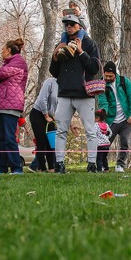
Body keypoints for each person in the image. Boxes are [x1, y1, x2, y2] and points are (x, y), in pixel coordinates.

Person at [50, 13, 101, 173]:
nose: (69, 26)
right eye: (66, 24)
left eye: (72, 23)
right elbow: (54, 72)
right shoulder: (61, 44)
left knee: (90, 131)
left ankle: (92, 164)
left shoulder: (89, 43)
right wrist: (55, 57)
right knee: (61, 130)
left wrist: (80, 51)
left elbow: (94, 68)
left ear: (80, 25)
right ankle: (59, 164)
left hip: (84, 94)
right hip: (64, 93)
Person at [0, 38, 29, 175]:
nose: (1, 52)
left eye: (3, 49)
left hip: (11, 104)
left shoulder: (18, 62)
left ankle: (16, 167)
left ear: (9, 50)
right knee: (3, 138)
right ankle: (3, 166)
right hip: (1, 105)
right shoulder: (7, 64)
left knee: (10, 137)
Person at [97, 61, 131, 173]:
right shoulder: (101, 85)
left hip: (125, 119)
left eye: (110, 76)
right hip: (111, 120)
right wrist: (103, 114)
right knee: (104, 143)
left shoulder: (125, 82)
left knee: (125, 142)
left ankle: (120, 165)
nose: (108, 78)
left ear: (115, 74)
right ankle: (102, 165)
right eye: (106, 76)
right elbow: (103, 102)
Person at [29, 77, 58, 172]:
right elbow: (42, 99)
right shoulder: (50, 82)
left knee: (51, 143)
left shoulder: (66, 86)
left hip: (50, 116)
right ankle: (41, 167)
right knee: (41, 142)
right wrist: (46, 115)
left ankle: (52, 168)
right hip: (38, 113)